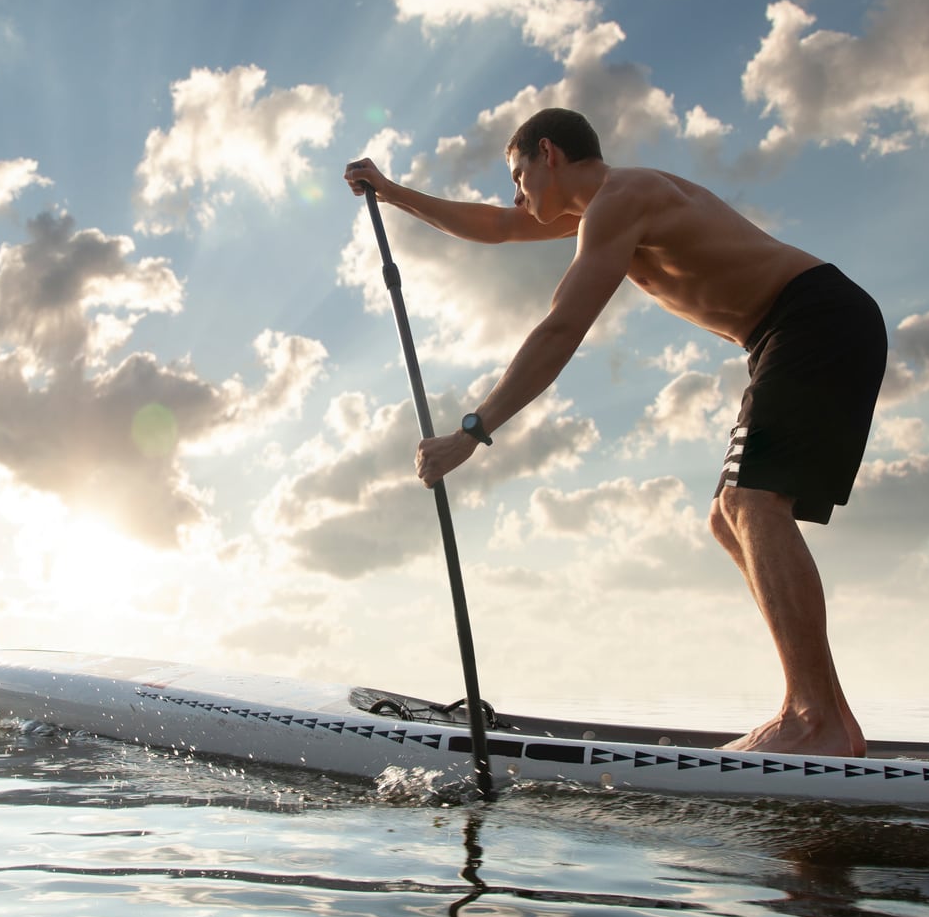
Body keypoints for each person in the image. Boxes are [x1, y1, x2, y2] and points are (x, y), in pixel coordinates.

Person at [344, 107, 886, 757]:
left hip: (814, 319)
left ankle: (813, 718)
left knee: (751, 504)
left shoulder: (622, 199)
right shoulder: (604, 210)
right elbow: (495, 225)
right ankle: (830, 720)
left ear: (549, 153)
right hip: (788, 333)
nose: (516, 194)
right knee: (728, 516)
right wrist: (393, 192)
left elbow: (560, 330)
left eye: (519, 174)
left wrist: (471, 431)